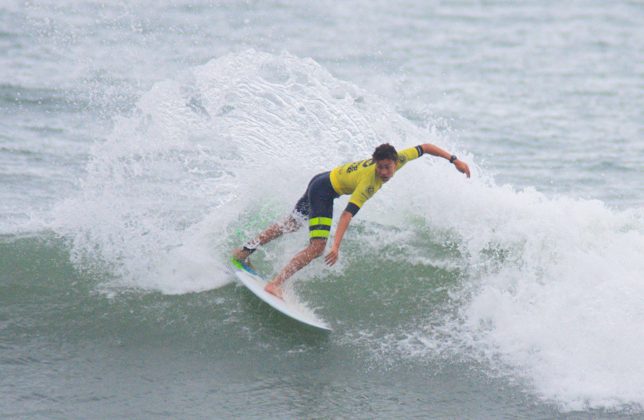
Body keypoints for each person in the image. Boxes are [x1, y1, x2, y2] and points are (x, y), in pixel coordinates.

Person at [232, 143, 470, 299]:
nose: (384, 173)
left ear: (396, 161)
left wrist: (454, 159)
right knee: (317, 248)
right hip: (323, 191)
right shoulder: (369, 182)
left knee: (290, 224)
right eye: (380, 168)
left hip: (321, 179)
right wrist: (335, 246)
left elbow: (425, 147)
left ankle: (243, 252)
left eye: (387, 168)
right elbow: (347, 214)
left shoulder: (402, 157)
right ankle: (276, 284)